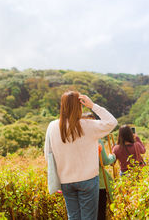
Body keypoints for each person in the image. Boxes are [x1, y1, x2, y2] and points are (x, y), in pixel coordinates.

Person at [44, 91, 117, 220]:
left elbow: (48, 155)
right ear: (80, 106)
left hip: (66, 180)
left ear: (62, 106)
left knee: (73, 217)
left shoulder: (52, 126)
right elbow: (112, 122)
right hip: (88, 179)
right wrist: (93, 105)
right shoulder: (88, 125)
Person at [82, 112, 116, 220]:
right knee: (100, 213)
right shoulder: (97, 138)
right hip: (98, 182)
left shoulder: (76, 139)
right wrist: (113, 157)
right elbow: (105, 161)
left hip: (81, 181)